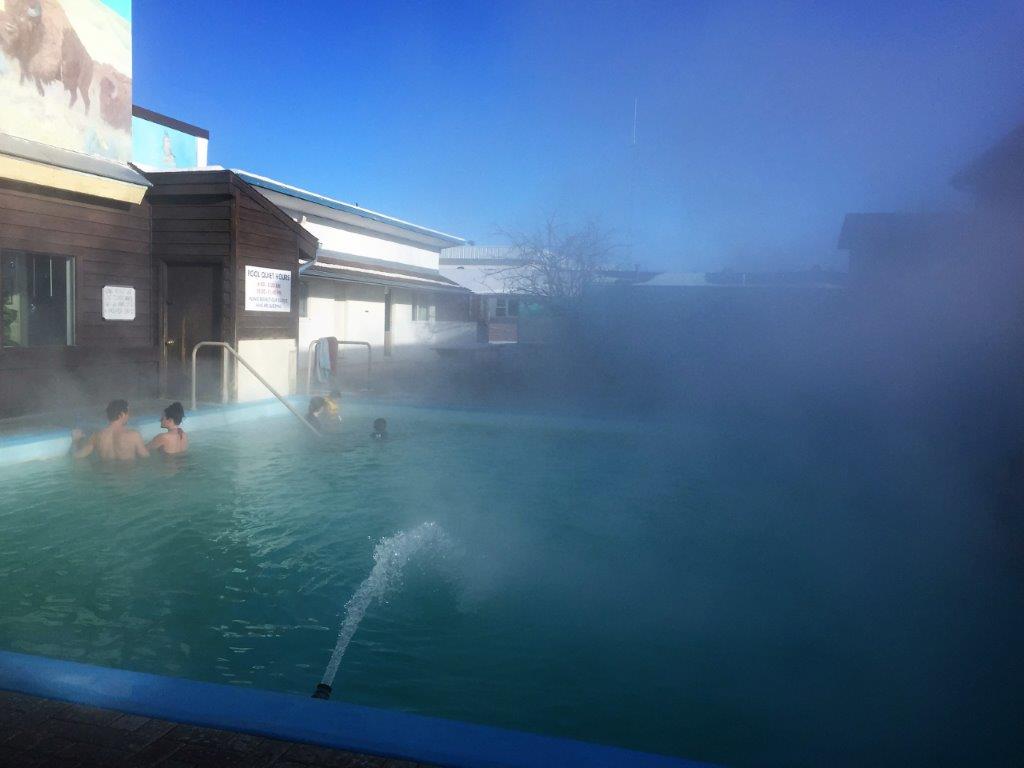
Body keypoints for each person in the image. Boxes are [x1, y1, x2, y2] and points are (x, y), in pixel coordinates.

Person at [71, 400, 149, 462]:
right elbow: (145, 458)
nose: (129, 416)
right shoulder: (133, 435)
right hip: (127, 478)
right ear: (122, 415)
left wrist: (75, 440)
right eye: (128, 413)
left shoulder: (96, 436)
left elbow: (77, 456)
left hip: (106, 477)